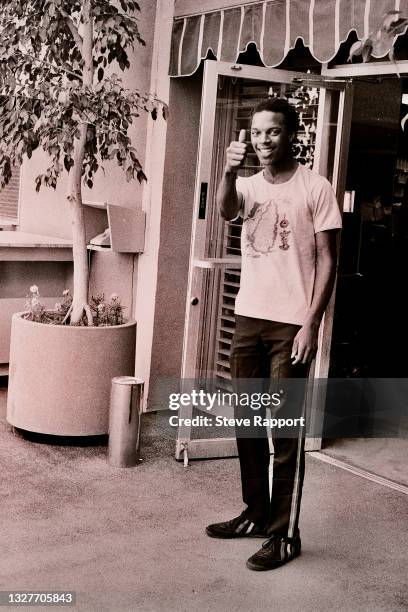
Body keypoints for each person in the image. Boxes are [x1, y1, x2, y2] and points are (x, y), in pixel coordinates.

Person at [205, 98, 342, 571]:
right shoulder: (244, 185)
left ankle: (285, 534)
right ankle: (256, 513)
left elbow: (328, 259)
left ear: (292, 134)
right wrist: (225, 171)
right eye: (258, 132)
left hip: (290, 325)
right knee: (246, 422)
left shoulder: (315, 187)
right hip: (249, 317)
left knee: (284, 433)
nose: (264, 141)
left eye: (274, 132)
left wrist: (311, 323)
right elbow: (224, 212)